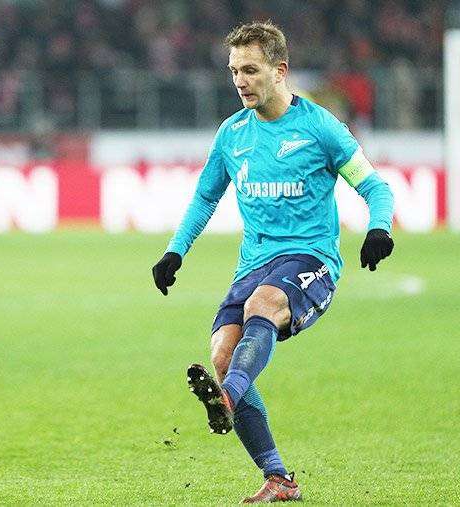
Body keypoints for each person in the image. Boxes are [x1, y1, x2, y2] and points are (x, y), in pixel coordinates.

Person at [151, 21, 395, 503]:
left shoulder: (320, 128)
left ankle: (227, 397)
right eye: (233, 71)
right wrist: (175, 251)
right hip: (254, 264)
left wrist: (379, 228)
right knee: (222, 353)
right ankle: (279, 478)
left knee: (261, 306)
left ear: (280, 71)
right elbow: (205, 198)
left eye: (250, 70)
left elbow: (374, 186)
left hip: (311, 259)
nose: (240, 81)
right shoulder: (232, 134)